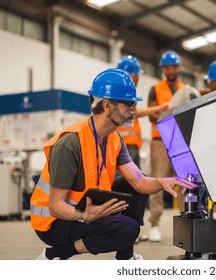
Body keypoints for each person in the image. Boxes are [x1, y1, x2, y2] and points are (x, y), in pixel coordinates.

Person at [30, 68, 195, 260]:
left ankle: (125, 257)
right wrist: (84, 216)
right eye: (129, 105)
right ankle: (54, 254)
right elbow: (55, 206)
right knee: (128, 231)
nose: (134, 111)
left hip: (87, 205)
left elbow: (139, 182)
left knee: (135, 188)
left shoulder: (114, 139)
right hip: (53, 222)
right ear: (108, 105)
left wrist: (163, 181)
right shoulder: (70, 143)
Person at [147, 50, 186, 242]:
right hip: (160, 141)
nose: (170, 69)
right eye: (167, 67)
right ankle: (154, 223)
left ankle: (187, 219)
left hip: (179, 142)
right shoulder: (155, 88)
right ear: (163, 69)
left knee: (184, 182)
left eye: (173, 66)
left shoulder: (184, 88)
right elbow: (152, 115)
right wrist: (171, 115)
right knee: (158, 182)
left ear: (178, 68)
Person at [116, 55, 167, 169]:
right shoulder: (121, 92)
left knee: (134, 183)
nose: (138, 78)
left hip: (131, 145)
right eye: (136, 74)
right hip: (123, 145)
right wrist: (157, 108)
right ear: (129, 75)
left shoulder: (126, 91)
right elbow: (133, 112)